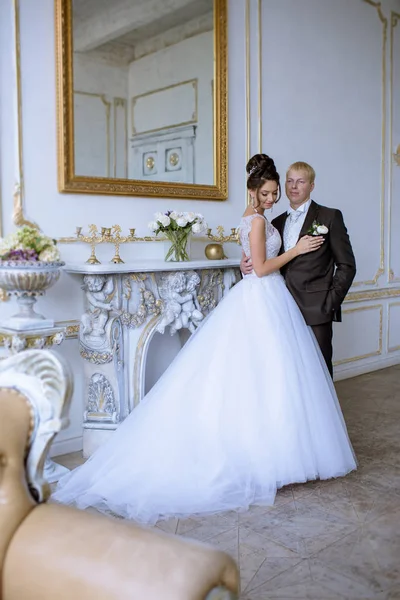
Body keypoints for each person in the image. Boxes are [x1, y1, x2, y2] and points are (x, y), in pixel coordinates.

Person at [52, 155, 357, 525]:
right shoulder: (263, 220)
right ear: (253, 191)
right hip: (267, 298)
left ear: (308, 185)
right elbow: (262, 265)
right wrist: (285, 253)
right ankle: (269, 456)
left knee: (280, 379)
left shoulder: (279, 218)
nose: (275, 197)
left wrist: (256, 263)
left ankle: (292, 452)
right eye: (269, 191)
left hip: (285, 302)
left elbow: (267, 261)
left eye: (279, 191)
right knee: (266, 378)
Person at [241, 160, 356, 377]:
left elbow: (347, 265)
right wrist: (244, 263)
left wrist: (330, 303)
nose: (294, 187)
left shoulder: (330, 216)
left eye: (300, 181)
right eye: (290, 181)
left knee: (319, 372)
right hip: (280, 308)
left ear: (311, 186)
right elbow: (263, 259)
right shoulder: (274, 221)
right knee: (289, 373)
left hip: (316, 308)